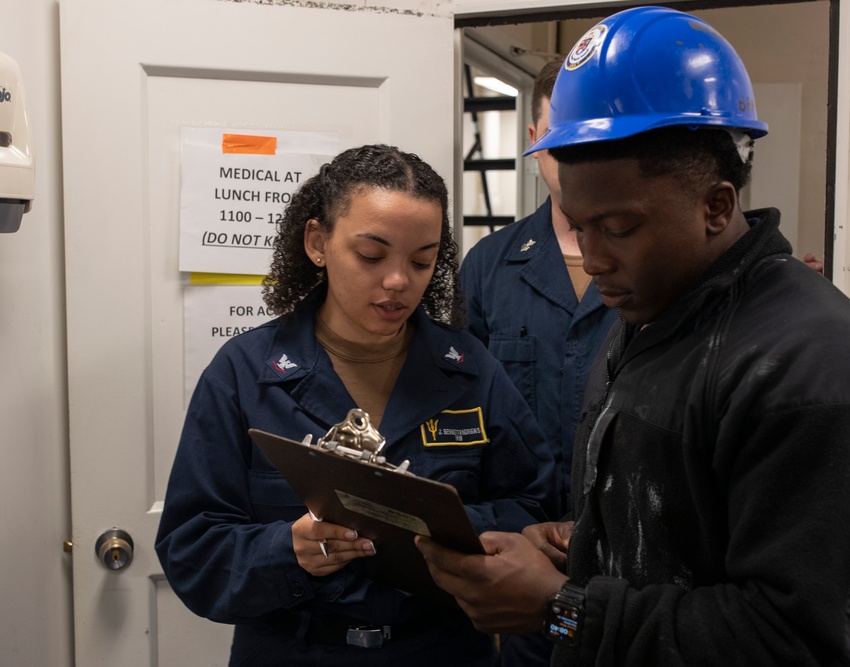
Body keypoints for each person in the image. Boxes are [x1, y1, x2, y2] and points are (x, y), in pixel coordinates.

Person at [416, 7, 850, 666]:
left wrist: (563, 607)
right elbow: (696, 520)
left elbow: (802, 643)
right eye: (579, 225)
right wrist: (584, 543)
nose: (594, 257)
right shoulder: (652, 317)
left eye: (619, 227)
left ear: (716, 206)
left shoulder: (823, 374)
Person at [155, 144, 556, 666]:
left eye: (422, 261)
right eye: (371, 255)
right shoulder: (244, 373)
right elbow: (193, 548)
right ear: (318, 242)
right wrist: (288, 551)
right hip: (295, 649)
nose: (398, 281)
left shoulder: (470, 371)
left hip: (439, 649)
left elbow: (535, 509)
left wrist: (440, 530)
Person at [461, 59, 619, 667]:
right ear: (535, 140)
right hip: (523, 565)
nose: (575, 150)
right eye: (561, 130)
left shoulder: (660, 270)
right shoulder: (489, 267)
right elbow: (459, 419)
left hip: (633, 572)